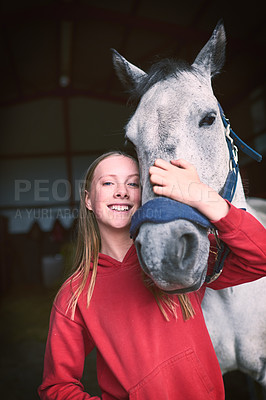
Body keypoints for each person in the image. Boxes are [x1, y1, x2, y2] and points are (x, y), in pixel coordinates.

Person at [38, 151, 266, 400]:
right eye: (108, 183)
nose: (121, 191)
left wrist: (201, 195)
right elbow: (57, 387)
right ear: (89, 200)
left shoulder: (178, 259)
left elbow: (259, 257)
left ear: (145, 194)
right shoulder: (76, 293)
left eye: (133, 183)